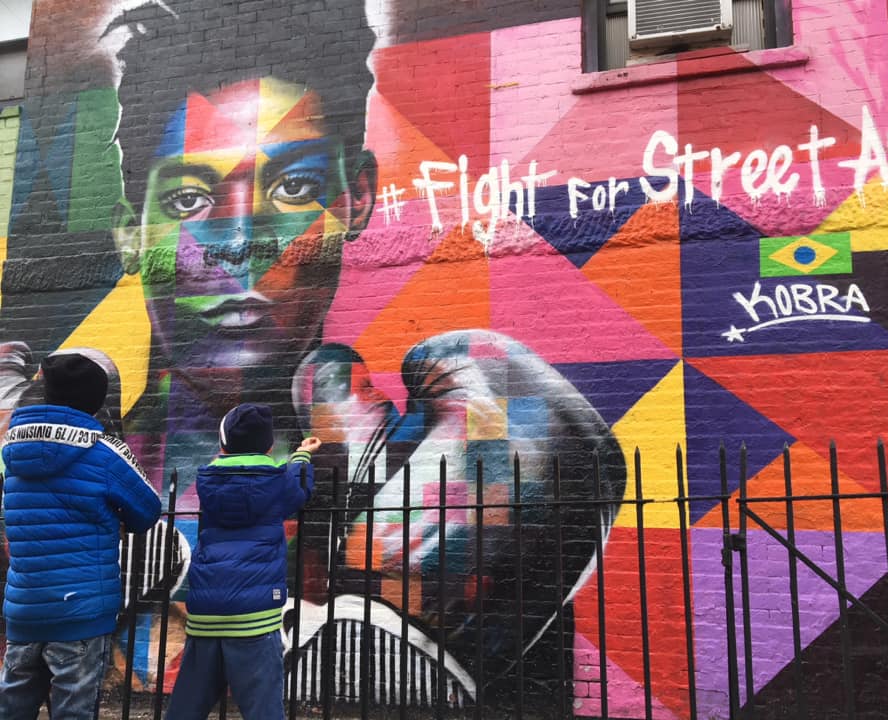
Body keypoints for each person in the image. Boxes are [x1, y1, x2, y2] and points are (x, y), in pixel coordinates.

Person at [0, 0, 626, 707]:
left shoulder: (437, 460)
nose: (240, 245)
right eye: (188, 200)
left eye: (294, 187)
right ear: (129, 233)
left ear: (355, 197)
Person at [0, 353, 162, 720]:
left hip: (25, 608)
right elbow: (148, 507)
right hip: (80, 610)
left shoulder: (12, 448)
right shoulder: (102, 452)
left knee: (12, 709)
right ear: (94, 400)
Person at [164, 403, 319, 720]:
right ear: (269, 446)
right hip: (255, 618)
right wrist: (303, 453)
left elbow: (226, 465)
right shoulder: (276, 483)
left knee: (186, 709)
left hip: (206, 614)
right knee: (263, 709)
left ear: (222, 445)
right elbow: (299, 483)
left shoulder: (209, 481)